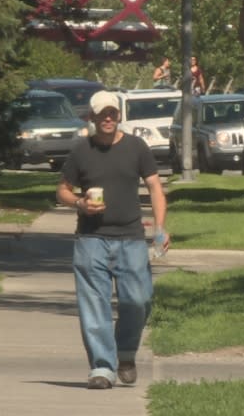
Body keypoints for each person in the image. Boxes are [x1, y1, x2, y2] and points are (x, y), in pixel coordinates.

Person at [56, 90, 169, 390]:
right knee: (94, 304)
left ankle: (126, 352)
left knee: (139, 299)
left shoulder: (136, 147)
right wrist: (79, 203)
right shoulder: (81, 151)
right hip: (91, 239)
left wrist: (160, 228)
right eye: (102, 114)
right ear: (91, 118)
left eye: (112, 113)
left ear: (119, 116)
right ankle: (102, 367)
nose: (108, 118)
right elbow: (63, 190)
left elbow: (155, 188)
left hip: (131, 238)